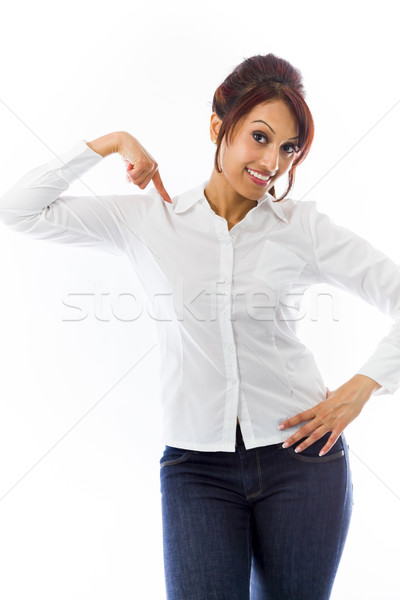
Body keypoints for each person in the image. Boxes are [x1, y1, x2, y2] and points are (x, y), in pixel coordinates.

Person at [0, 52, 399, 600]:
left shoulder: (302, 228)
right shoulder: (149, 220)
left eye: (288, 149)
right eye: (259, 137)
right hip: (195, 470)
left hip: (303, 462)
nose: (273, 162)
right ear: (219, 126)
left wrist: (362, 388)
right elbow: (18, 210)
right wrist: (113, 141)